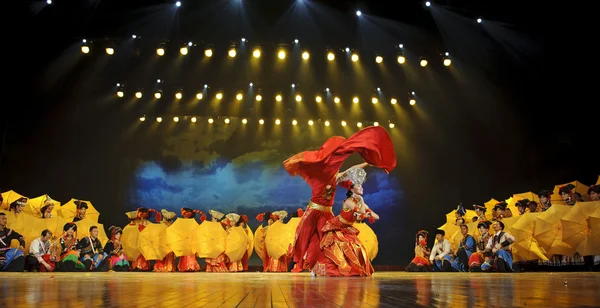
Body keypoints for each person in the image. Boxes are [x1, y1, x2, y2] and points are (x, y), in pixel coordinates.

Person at [283, 126, 396, 272]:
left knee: (325, 240)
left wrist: (367, 163)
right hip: (313, 212)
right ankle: (295, 262)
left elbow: (350, 171)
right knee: (303, 237)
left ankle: (316, 265)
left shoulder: (335, 178)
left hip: (326, 213)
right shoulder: (319, 178)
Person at [313, 167, 380, 277]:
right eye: (358, 186)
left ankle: (354, 270)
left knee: (358, 247)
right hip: (336, 227)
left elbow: (376, 217)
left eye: (361, 185)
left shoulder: (358, 203)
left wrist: (369, 213)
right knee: (339, 248)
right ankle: (322, 270)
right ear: (352, 189)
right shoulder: (349, 202)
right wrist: (362, 201)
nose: (361, 188)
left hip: (347, 229)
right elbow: (361, 211)